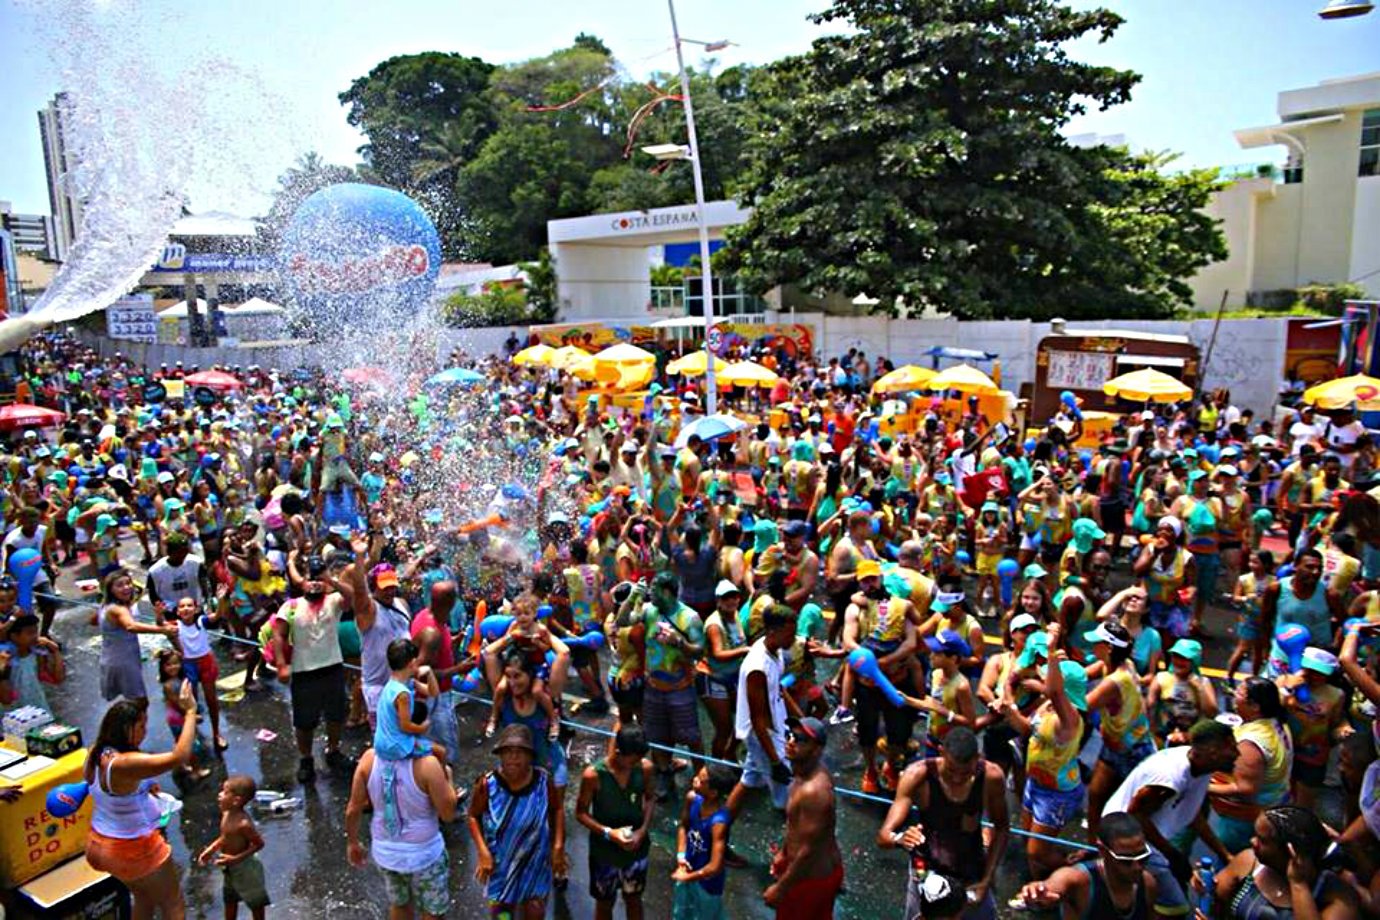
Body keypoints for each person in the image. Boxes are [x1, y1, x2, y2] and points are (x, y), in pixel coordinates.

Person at [1103, 720, 1240, 918]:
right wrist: (1172, 855)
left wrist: (1224, 854)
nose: (1237, 754)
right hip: (1126, 837)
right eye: (1231, 747)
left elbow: (1192, 814)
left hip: (1149, 838)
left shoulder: (1201, 767)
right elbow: (1136, 815)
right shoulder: (1171, 778)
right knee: (1175, 907)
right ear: (1212, 751)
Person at [83, 694, 198, 920]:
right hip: (131, 847)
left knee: (143, 898)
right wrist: (190, 712)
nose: (146, 731)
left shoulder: (97, 750)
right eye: (141, 725)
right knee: (172, 904)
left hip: (99, 843)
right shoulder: (123, 764)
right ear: (126, 727)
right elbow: (180, 756)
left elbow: (115, 790)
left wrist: (144, 787)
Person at [878, 726, 1010, 920]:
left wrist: (986, 880)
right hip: (926, 873)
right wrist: (900, 838)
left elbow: (1001, 829)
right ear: (941, 753)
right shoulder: (917, 775)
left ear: (977, 758)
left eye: (965, 773)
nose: (957, 778)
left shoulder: (991, 777)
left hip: (970, 874)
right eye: (951, 770)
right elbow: (883, 836)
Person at [346, 741, 461, 920]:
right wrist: (448, 779)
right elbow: (448, 814)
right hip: (426, 853)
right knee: (433, 911)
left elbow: (353, 808)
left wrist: (353, 843)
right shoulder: (428, 764)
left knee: (400, 904)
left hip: (387, 854)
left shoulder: (369, 758)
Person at [273, 551, 359, 783]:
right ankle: (306, 758)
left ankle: (333, 749)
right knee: (304, 721)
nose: (315, 584)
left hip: (332, 667)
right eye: (311, 579)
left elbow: (352, 596)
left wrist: (329, 580)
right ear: (302, 583)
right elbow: (278, 635)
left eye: (318, 579)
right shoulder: (290, 606)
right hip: (303, 672)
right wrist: (282, 665)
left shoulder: (334, 601)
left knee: (336, 714)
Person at [468, 724, 567, 920]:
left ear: (530, 757)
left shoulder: (543, 781)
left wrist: (558, 847)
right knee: (502, 915)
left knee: (535, 912)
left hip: (535, 860)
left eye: (520, 752)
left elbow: (557, 809)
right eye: (508, 752)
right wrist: (482, 852)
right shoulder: (488, 784)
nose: (513, 757)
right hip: (501, 863)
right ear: (500, 755)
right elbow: (473, 816)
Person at [1212, 805, 1359, 920]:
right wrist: (1205, 885)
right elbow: (1215, 899)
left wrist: (1298, 884)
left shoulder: (1338, 898)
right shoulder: (1248, 862)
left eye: (1262, 840)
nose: (1252, 842)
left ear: (1290, 850)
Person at [763, 715, 842, 917]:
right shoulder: (801, 773)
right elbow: (798, 827)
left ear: (817, 749)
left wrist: (781, 888)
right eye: (789, 736)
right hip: (807, 873)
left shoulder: (814, 791)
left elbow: (809, 850)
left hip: (810, 879)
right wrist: (783, 852)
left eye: (800, 739)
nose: (791, 742)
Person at [575, 725, 656, 920]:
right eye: (634, 758)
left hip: (636, 850)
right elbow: (581, 813)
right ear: (619, 753)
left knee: (634, 899)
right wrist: (608, 833)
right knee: (604, 903)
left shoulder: (644, 768)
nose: (637, 762)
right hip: (604, 852)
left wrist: (642, 831)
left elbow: (650, 798)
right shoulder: (593, 776)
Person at [1210, 677, 1295, 856]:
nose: (1234, 695)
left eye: (1240, 693)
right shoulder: (1276, 723)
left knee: (1236, 860)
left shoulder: (1251, 743)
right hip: (1272, 806)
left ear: (1255, 706)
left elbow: (1246, 788)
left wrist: (1206, 787)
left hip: (1245, 819)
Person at [1017, 812, 1157, 920]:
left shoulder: (1148, 884)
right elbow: (1054, 886)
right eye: (1125, 860)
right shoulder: (1078, 880)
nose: (1137, 867)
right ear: (1103, 851)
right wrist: (1038, 893)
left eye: (1142, 857)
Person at [732, 602, 802, 813]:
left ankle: (724, 819)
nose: (793, 638)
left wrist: (801, 719)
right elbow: (758, 719)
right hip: (763, 734)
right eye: (790, 633)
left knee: (749, 778)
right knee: (787, 795)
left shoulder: (776, 650)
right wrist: (775, 761)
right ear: (773, 632)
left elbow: (779, 688)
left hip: (776, 724)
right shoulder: (757, 667)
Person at [197, 775, 270, 920]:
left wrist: (236, 859)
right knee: (230, 900)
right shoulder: (226, 814)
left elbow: (259, 844)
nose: (219, 795)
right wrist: (210, 850)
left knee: (255, 903)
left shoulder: (243, 824)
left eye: (224, 792)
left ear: (236, 800)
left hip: (246, 870)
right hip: (230, 869)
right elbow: (225, 837)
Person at [672, 763, 739, 920]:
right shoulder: (692, 799)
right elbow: (683, 826)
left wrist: (687, 877)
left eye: (701, 781)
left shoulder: (718, 823)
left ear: (713, 792)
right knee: (681, 912)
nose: (695, 780)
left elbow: (715, 866)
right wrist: (681, 855)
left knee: (706, 914)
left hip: (707, 882)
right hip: (687, 867)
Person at [99, 568, 178, 701]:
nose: (126, 588)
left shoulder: (106, 606)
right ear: (110, 589)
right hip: (123, 661)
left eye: (128, 583)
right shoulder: (118, 609)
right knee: (140, 702)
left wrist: (159, 616)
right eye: (120, 585)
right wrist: (162, 630)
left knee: (129, 702)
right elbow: (131, 626)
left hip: (113, 657)